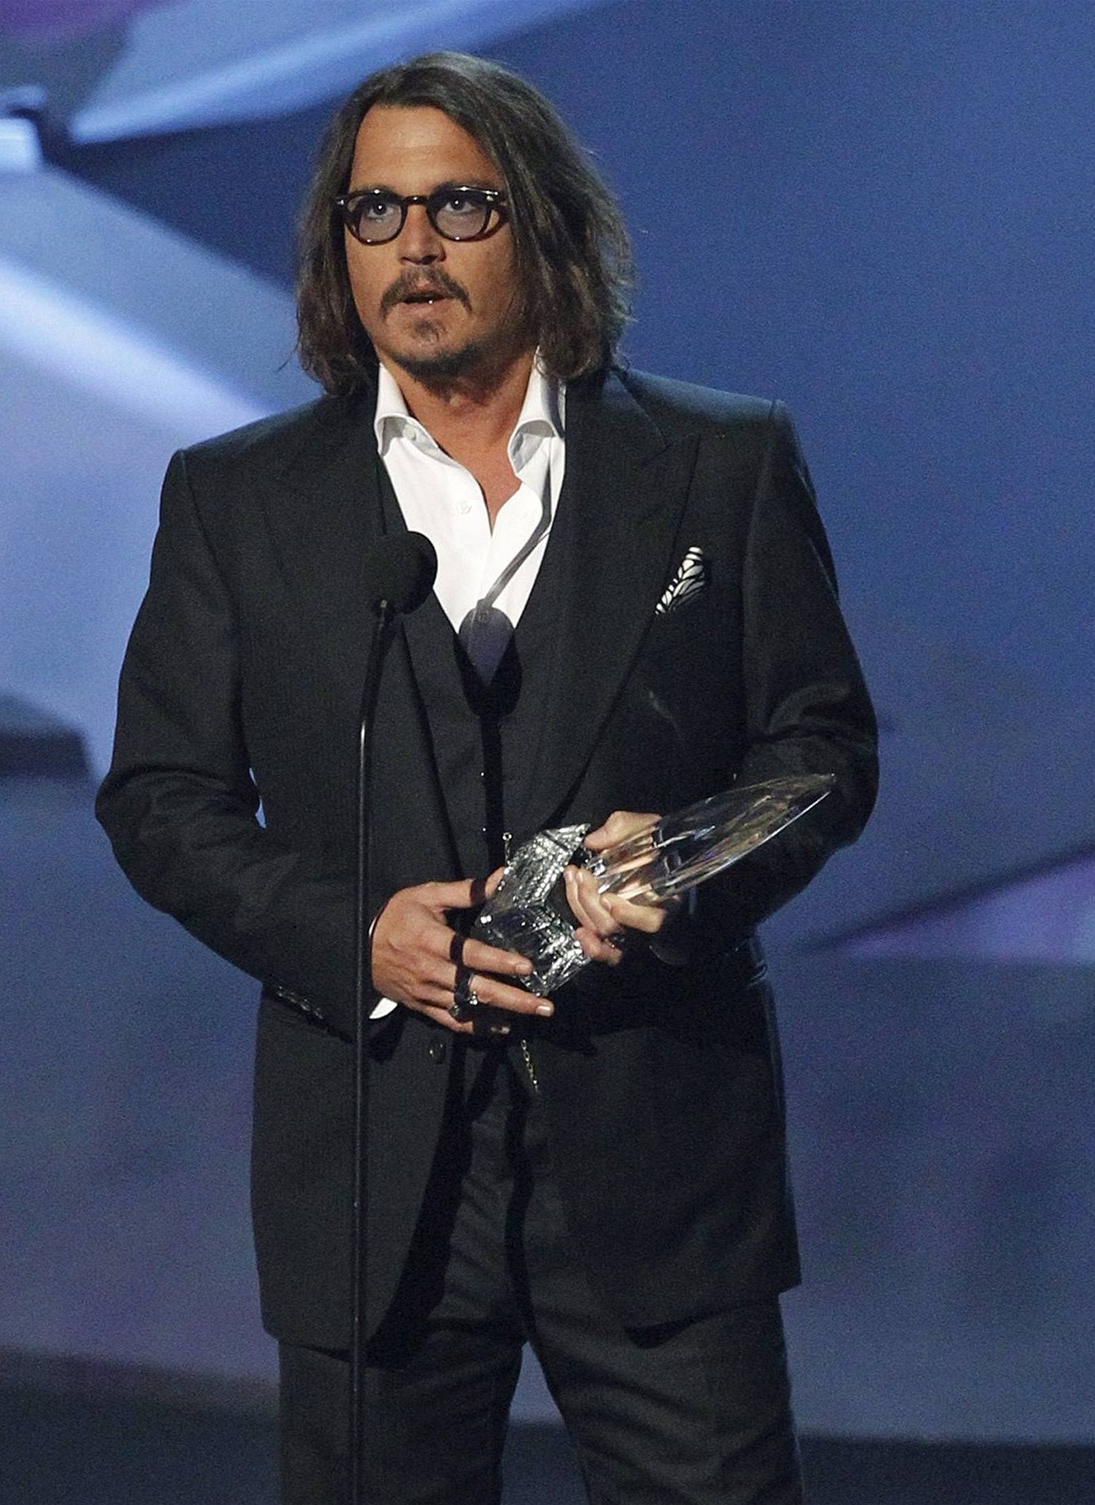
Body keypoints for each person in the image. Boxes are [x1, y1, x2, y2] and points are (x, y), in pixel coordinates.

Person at [96, 50, 876, 1504]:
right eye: (374, 213)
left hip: (656, 1151)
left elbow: (823, 751)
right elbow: (161, 798)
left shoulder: (720, 464)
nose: (415, 248)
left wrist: (683, 863)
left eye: (459, 205)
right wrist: (358, 936)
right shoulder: (238, 499)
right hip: (376, 1170)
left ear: (545, 224)